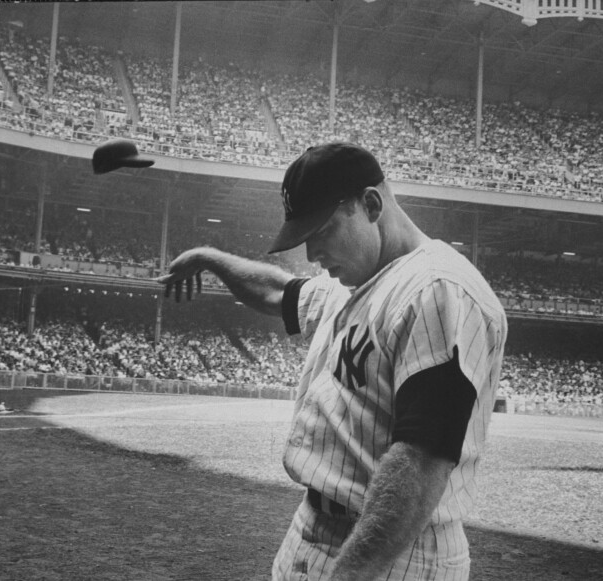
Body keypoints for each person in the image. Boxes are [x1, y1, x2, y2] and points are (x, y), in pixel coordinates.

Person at [158, 142, 507, 580]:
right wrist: (210, 259)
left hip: (392, 551)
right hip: (316, 529)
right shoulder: (355, 281)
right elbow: (277, 292)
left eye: (320, 231)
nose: (311, 255)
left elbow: (420, 463)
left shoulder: (439, 290)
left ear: (371, 205)